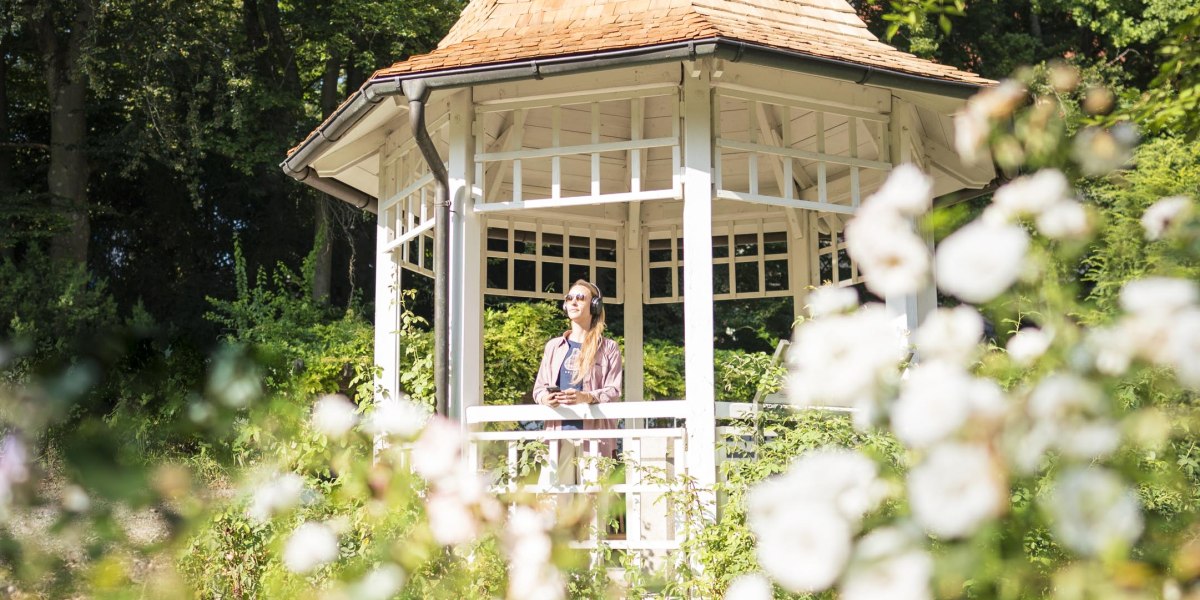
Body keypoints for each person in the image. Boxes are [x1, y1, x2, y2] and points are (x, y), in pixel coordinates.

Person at [531, 280, 622, 485]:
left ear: (594, 306)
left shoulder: (609, 348)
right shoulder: (554, 346)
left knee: (593, 503)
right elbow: (538, 389)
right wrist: (547, 397)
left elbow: (614, 390)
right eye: (569, 298)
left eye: (581, 298)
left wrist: (586, 397)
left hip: (595, 437)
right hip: (557, 434)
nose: (573, 302)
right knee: (552, 500)